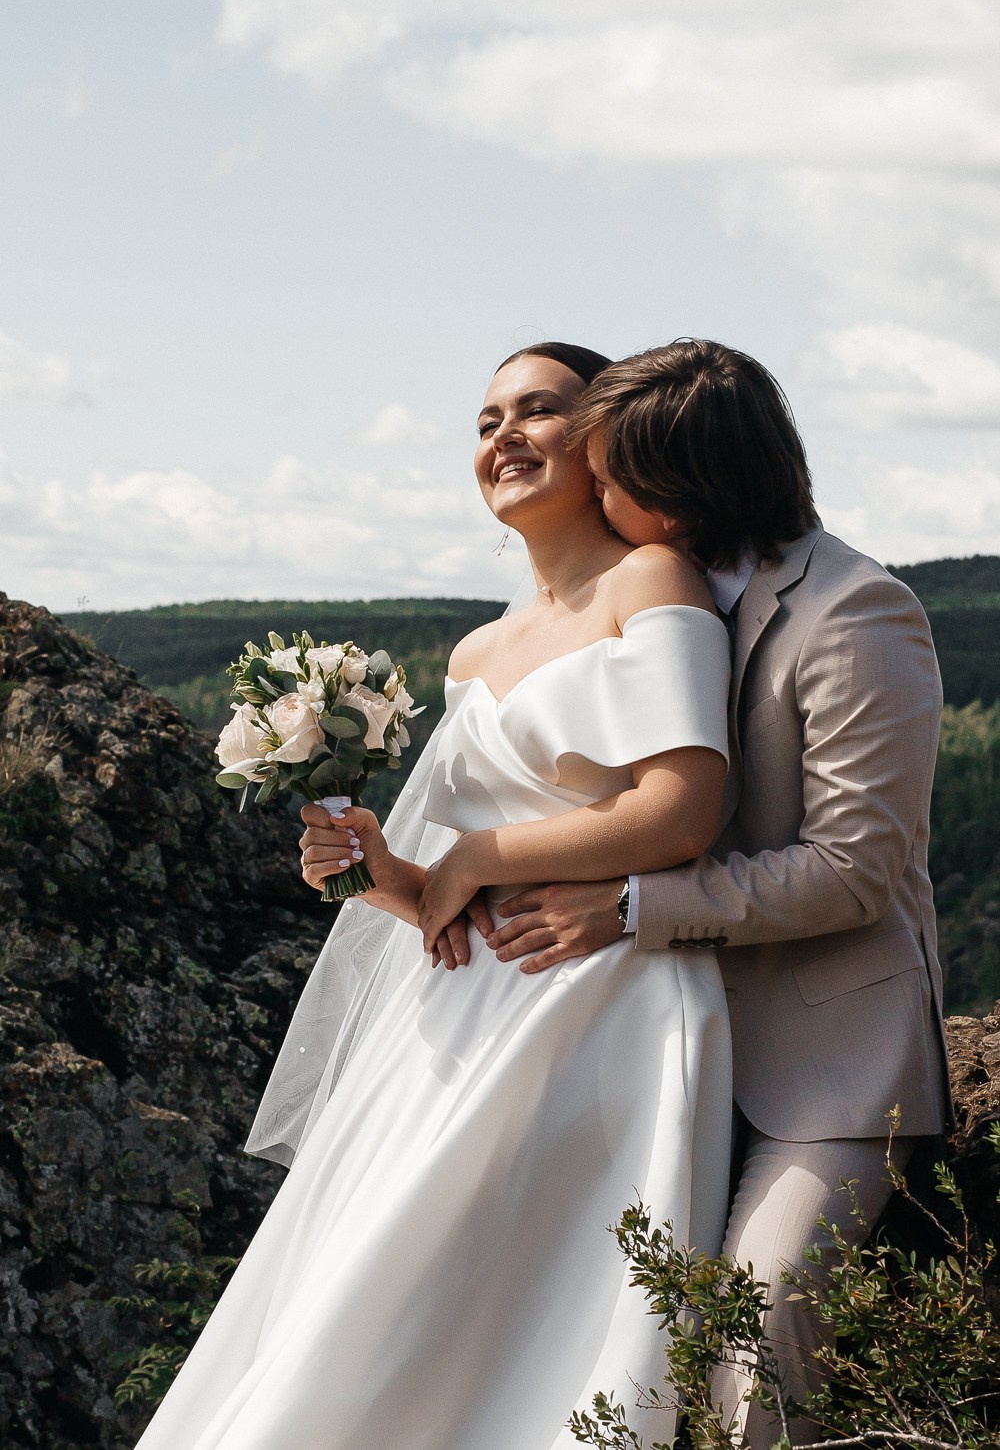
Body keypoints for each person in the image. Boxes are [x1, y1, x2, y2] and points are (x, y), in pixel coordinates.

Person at [133, 342, 735, 1450]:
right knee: (371, 1304)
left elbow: (683, 811)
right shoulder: (476, 649)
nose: (502, 437)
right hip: (456, 1018)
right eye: (485, 418)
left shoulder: (650, 583)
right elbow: (447, 899)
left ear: (600, 435)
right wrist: (375, 872)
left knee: (507, 1324)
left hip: (598, 1002)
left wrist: (480, 852)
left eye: (538, 411)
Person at [482, 340, 950, 1447]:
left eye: (611, 473)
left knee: (756, 1328)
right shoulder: (650, 600)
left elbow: (853, 869)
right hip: (654, 1047)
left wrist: (632, 904)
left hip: (823, 1070)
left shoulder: (856, 612)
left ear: (686, 482)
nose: (590, 491)